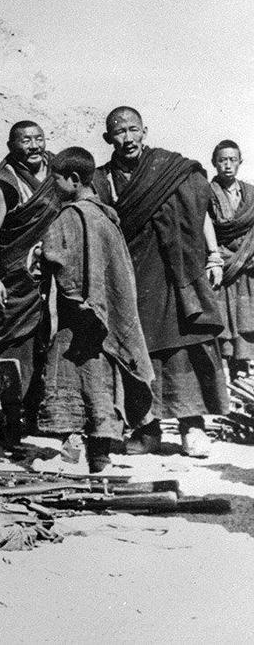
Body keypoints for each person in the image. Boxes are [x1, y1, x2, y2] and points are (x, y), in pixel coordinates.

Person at [92, 107, 227, 458]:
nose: (128, 138)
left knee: (185, 346)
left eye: (133, 129)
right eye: (119, 132)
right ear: (108, 138)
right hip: (131, 276)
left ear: (145, 131)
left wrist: (213, 255)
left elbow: (199, 211)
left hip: (175, 272)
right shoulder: (101, 179)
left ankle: (192, 428)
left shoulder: (170, 168)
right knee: (139, 351)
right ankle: (147, 430)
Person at [32, 147, 154, 473]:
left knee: (69, 378)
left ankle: (72, 448)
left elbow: (59, 262)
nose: (52, 186)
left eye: (55, 179)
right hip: (104, 322)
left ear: (73, 179)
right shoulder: (106, 217)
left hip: (75, 320)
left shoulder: (70, 216)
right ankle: (100, 457)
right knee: (100, 385)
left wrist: (39, 257)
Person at [0, 121, 59, 445]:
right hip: (16, 276)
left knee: (46, 344)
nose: (34, 146)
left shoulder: (56, 169)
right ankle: (9, 420)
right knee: (14, 344)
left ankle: (38, 414)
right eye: (26, 141)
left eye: (39, 139)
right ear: (12, 146)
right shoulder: (6, 181)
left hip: (53, 272)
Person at [207, 140, 254, 376]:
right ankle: (225, 366)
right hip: (223, 265)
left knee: (246, 314)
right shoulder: (207, 194)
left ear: (240, 162)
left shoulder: (251, 193)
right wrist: (220, 255)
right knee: (224, 315)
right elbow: (204, 228)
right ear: (214, 163)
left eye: (232, 160)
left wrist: (247, 253)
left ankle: (245, 365)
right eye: (222, 160)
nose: (227, 165)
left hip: (247, 263)